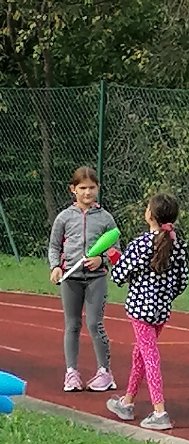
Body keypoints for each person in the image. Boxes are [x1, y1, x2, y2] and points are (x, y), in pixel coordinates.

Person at [106, 192, 189, 430]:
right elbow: (182, 280)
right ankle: (127, 402)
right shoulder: (177, 245)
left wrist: (114, 259)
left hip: (140, 310)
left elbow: (119, 275)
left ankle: (159, 411)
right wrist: (165, 295)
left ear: (150, 215)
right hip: (161, 310)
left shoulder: (141, 244)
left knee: (149, 356)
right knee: (140, 354)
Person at [48, 166, 119, 393]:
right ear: (73, 189)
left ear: (98, 188)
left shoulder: (106, 219)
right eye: (82, 188)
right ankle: (71, 373)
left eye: (91, 187)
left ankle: (105, 373)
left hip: (96, 279)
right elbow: (54, 246)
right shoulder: (64, 218)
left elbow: (115, 249)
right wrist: (56, 267)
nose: (87, 192)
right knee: (72, 325)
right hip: (71, 279)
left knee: (95, 324)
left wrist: (101, 259)